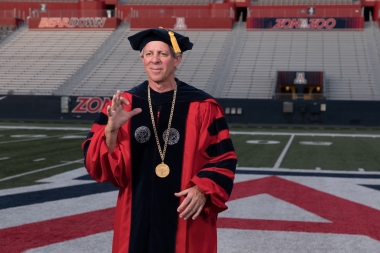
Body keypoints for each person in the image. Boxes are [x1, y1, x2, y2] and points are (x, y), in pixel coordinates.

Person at [82, 27, 237, 253]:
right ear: (142, 58)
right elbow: (98, 166)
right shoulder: (124, 103)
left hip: (184, 216)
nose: (155, 60)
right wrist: (111, 130)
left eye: (163, 54)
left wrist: (203, 189)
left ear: (177, 60)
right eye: (149, 54)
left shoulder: (203, 106)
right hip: (136, 215)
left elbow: (224, 158)